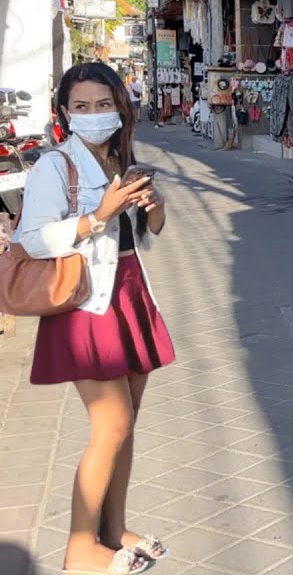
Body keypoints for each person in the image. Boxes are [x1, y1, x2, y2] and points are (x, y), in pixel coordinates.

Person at [17, 63, 174, 575]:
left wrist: (152, 204)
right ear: (64, 113)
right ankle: (80, 548)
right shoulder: (52, 166)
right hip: (86, 300)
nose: (92, 115)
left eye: (102, 105)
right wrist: (99, 214)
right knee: (111, 425)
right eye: (80, 107)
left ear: (120, 107)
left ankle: (113, 529)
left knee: (126, 427)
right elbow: (33, 239)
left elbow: (148, 233)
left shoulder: (118, 159)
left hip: (128, 291)